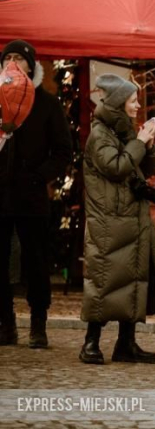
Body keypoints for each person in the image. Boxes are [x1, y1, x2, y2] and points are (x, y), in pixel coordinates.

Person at [79, 74, 155, 365]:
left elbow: (147, 166)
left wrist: (148, 144)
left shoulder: (124, 131)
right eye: (133, 101)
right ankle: (90, 343)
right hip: (109, 220)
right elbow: (115, 167)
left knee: (132, 279)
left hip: (131, 216)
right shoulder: (100, 134)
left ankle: (126, 343)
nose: (137, 105)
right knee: (105, 280)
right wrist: (139, 143)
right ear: (119, 104)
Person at [0, 40, 72, 349]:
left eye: (19, 57)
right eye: (7, 57)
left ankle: (38, 323)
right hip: (0, 196)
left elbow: (64, 151)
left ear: (32, 65)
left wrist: (39, 176)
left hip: (32, 197)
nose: (13, 62)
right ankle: (5, 324)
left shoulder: (47, 103)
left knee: (36, 261)